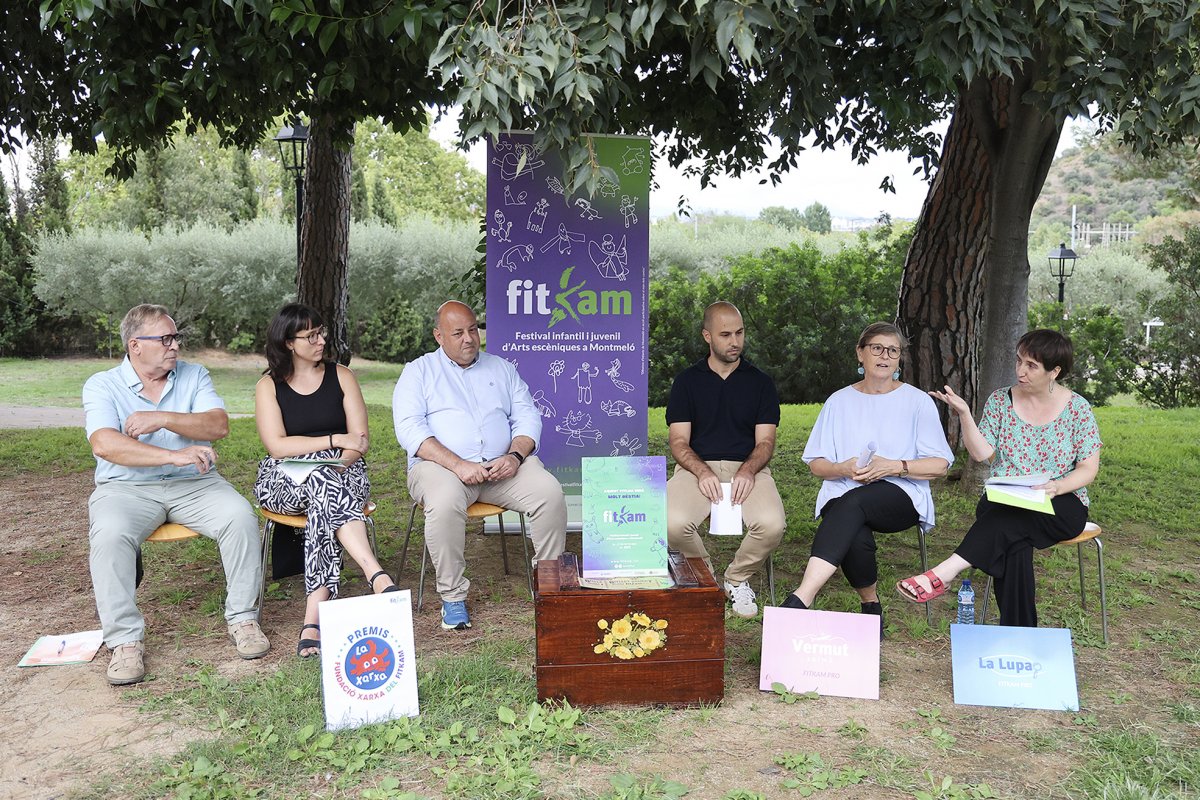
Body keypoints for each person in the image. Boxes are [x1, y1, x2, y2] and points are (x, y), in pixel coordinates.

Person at [84, 304, 269, 686]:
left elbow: (217, 425)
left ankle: (243, 619)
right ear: (135, 345)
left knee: (240, 516)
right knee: (110, 534)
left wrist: (163, 418)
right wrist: (173, 454)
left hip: (194, 484)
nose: (175, 346)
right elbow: (105, 444)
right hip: (127, 488)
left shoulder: (193, 375)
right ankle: (124, 642)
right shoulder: (102, 384)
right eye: (164, 339)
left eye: (176, 338)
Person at [897, 329, 1102, 628]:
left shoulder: (1078, 409)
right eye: (1019, 361)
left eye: (1031, 365)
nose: (1020, 370)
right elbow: (981, 454)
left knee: (1008, 530)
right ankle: (1022, 635)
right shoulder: (1000, 401)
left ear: (1054, 371)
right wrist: (965, 415)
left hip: (1060, 502)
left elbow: (1087, 468)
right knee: (1013, 535)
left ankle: (944, 572)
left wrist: (1056, 487)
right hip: (1005, 499)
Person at [393, 301, 567, 630]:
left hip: (503, 467)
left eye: (473, 329)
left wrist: (515, 456)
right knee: (443, 503)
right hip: (440, 468)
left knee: (549, 492)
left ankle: (548, 583)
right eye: (457, 333)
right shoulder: (418, 372)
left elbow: (528, 415)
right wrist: (458, 465)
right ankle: (453, 597)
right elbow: (411, 431)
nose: (469, 339)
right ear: (438, 336)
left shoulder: (501, 368)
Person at [779, 322, 953, 637]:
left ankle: (800, 599)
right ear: (861, 354)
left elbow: (940, 465)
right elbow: (817, 464)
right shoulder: (839, 401)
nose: (885, 356)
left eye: (893, 350)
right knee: (852, 520)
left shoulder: (917, 402)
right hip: (844, 489)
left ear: (900, 359)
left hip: (901, 493)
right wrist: (843, 469)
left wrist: (894, 466)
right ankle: (871, 610)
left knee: (850, 505)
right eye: (877, 348)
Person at [253, 304, 396, 659]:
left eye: (322, 332)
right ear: (288, 342)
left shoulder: (342, 376)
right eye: (311, 336)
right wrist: (333, 441)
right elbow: (277, 446)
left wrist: (337, 460)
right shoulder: (268, 386)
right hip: (283, 478)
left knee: (324, 489)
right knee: (323, 484)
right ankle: (373, 571)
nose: (321, 340)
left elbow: (359, 442)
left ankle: (313, 614)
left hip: (343, 472)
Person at [666, 301, 786, 618]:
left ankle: (737, 579)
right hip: (695, 469)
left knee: (772, 524)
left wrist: (748, 471)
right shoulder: (687, 381)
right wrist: (702, 472)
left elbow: (766, 441)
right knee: (670, 523)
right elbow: (678, 442)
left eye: (740, 333)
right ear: (707, 336)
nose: (735, 341)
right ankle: (704, 580)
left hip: (750, 468)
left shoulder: (760, 382)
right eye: (725, 334)